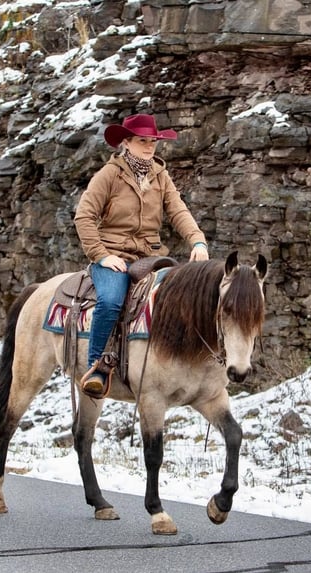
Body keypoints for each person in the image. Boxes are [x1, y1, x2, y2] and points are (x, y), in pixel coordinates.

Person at [74, 113, 210, 397]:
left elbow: (178, 211)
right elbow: (84, 217)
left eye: (153, 142)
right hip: (113, 256)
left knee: (180, 295)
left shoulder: (160, 175)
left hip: (150, 255)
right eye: (142, 141)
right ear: (126, 143)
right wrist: (100, 255)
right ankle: (96, 366)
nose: (149, 147)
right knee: (111, 301)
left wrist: (198, 241)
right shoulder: (109, 175)